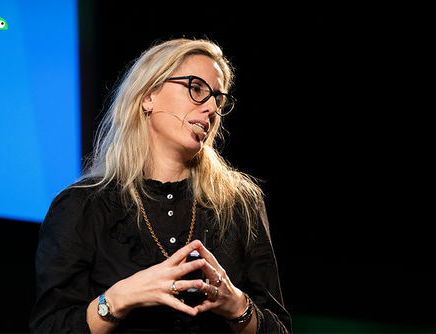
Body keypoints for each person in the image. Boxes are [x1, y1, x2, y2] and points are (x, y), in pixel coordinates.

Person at [29, 38, 291, 334]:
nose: (210, 108)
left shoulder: (240, 203)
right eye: (196, 89)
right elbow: (49, 327)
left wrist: (236, 304)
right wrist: (120, 298)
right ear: (148, 95)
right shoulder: (82, 206)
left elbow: (279, 328)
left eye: (217, 98)